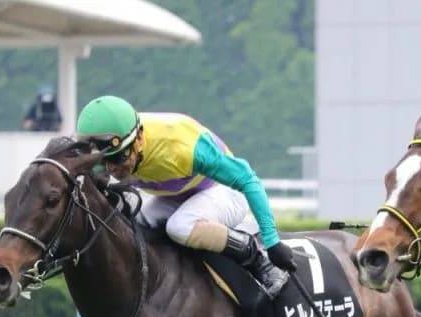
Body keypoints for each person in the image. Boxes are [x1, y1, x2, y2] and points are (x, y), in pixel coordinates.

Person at [74, 95, 295, 298]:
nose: (113, 169)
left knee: (179, 226)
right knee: (131, 223)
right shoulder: (107, 153)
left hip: (224, 191)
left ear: (139, 137)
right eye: (104, 162)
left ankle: (258, 260)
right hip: (177, 193)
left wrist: (272, 240)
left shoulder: (181, 147)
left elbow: (248, 179)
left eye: (120, 157)